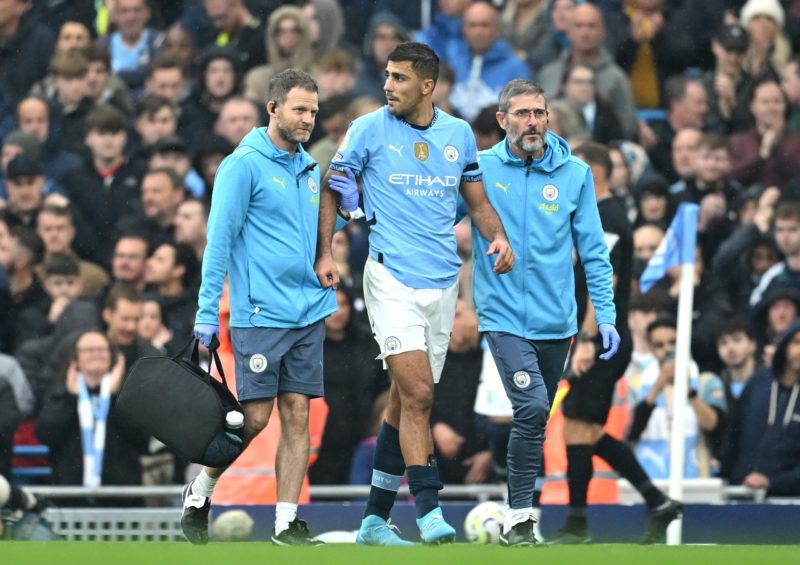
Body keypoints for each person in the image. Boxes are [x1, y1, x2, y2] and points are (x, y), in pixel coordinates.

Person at [315, 42, 513, 546]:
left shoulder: (457, 135)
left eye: (400, 78)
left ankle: (373, 522)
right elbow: (333, 186)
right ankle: (429, 510)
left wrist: (498, 236)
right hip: (390, 279)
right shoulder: (367, 129)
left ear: (428, 85)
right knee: (422, 394)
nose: (388, 86)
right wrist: (325, 253)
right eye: (386, 75)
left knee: (405, 403)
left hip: (443, 281)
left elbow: (477, 201)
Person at [186, 69, 358, 546]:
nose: (308, 119)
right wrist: (205, 312)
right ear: (274, 108)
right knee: (256, 419)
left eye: (314, 111)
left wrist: (343, 217)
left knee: (298, 415)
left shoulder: (307, 168)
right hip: (260, 314)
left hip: (308, 311)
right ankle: (201, 489)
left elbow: (303, 238)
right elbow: (217, 243)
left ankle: (286, 522)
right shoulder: (241, 166)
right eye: (300, 109)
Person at [723, 319, 800, 497]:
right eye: (796, 342)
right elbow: (733, 431)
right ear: (785, 345)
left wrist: (772, 482)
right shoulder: (760, 381)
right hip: (740, 492)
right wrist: (729, 473)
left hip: (789, 503)